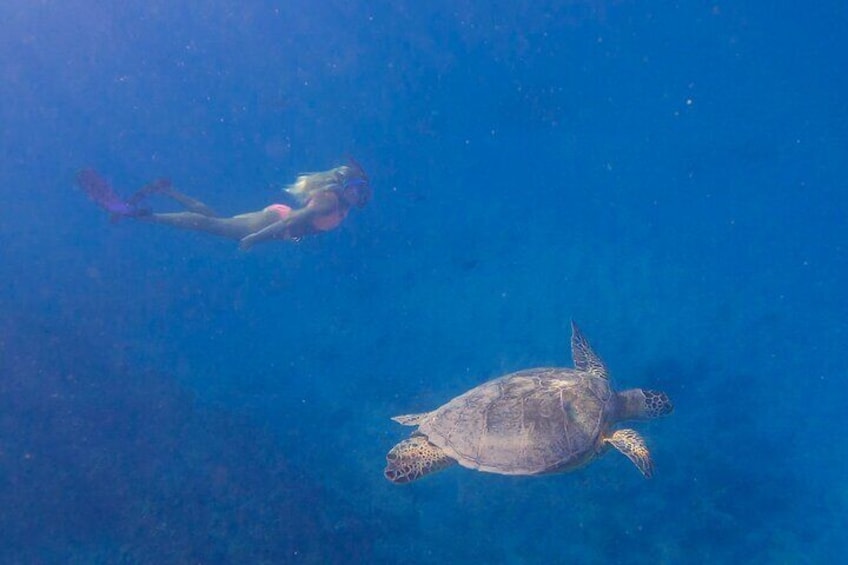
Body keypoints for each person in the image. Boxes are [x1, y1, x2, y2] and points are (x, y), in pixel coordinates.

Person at [77, 162, 371, 250]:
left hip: (277, 217)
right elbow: (293, 221)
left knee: (216, 220)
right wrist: (254, 238)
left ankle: (167, 190)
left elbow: (296, 223)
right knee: (211, 224)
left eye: (363, 193)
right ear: (345, 186)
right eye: (356, 190)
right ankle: (137, 214)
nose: (359, 197)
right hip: (271, 223)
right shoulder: (328, 202)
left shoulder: (334, 200)